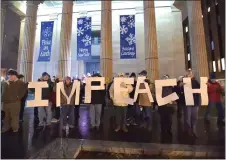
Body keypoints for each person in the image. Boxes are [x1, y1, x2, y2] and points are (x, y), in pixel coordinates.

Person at [184, 70, 200, 138]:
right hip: (188, 102)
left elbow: (201, 89)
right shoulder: (184, 82)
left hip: (195, 102)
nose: (189, 75)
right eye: (188, 74)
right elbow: (180, 91)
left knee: (195, 117)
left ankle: (194, 130)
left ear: (193, 75)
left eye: (190, 74)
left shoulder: (196, 82)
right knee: (188, 117)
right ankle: (189, 130)